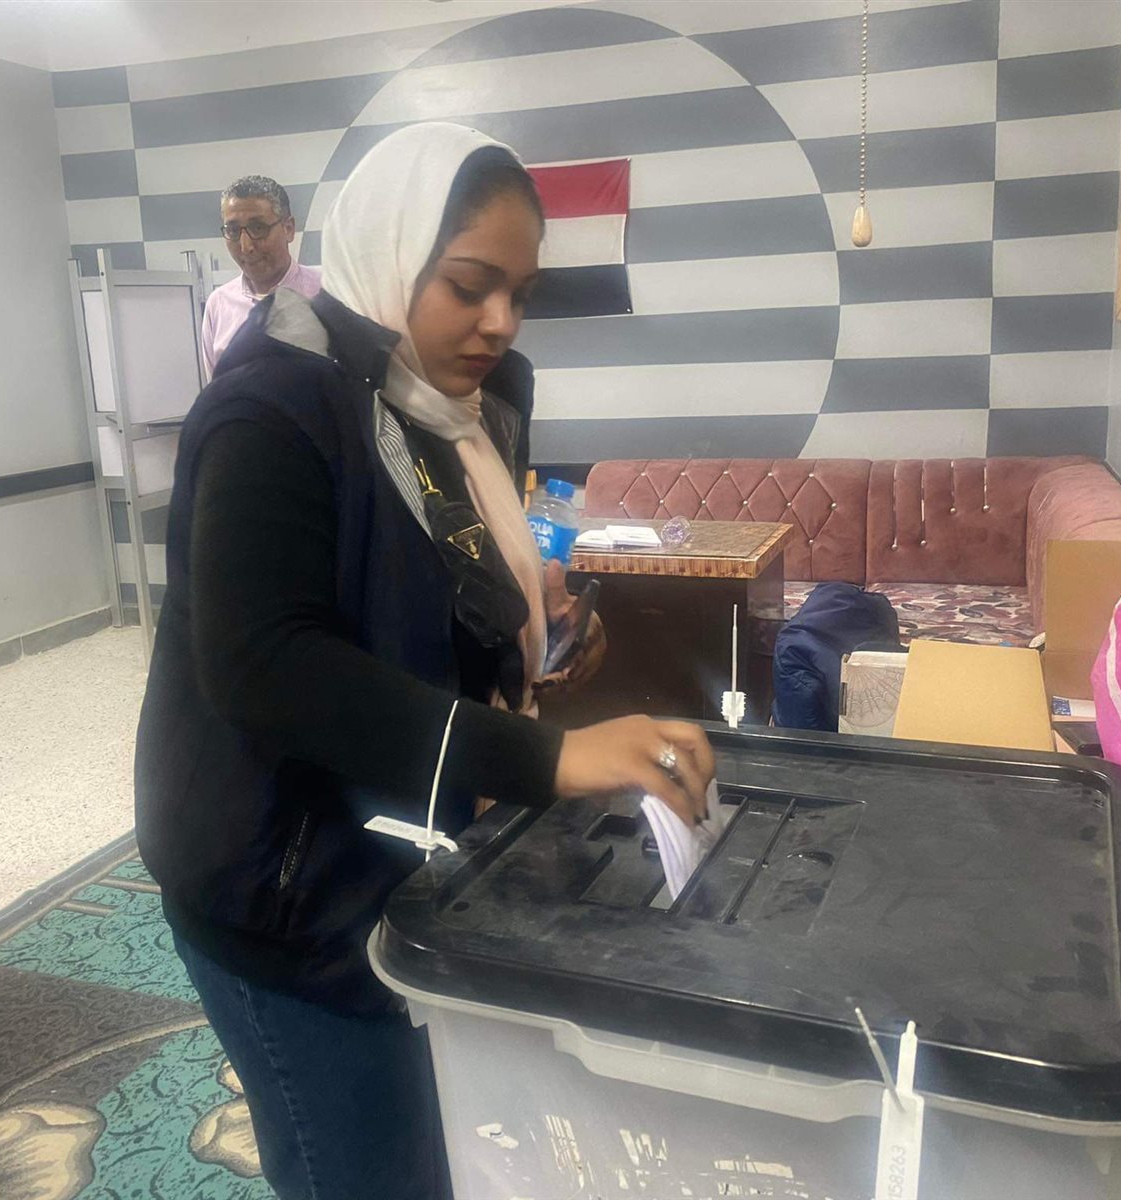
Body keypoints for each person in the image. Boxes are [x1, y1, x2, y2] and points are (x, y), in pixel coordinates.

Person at [134, 122, 715, 1200]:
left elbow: (427, 588)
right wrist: (547, 759)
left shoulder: (460, 404)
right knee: (362, 1168)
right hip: (281, 885)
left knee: (437, 1151)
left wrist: (536, 636)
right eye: (467, 285)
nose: (499, 322)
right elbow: (268, 667)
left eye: (519, 294)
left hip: (398, 852)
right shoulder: (271, 408)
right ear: (391, 253)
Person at [200, 174, 322, 378]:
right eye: (233, 230)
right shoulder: (219, 304)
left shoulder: (327, 293)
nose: (246, 246)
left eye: (258, 228)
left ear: (289, 229)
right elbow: (217, 388)